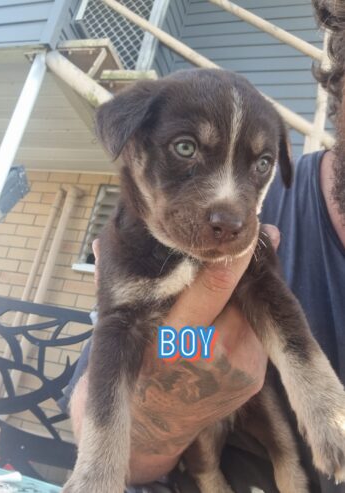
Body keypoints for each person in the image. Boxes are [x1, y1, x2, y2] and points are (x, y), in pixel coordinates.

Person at [64, 1, 345, 491]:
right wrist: (187, 347)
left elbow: (273, 311)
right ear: (132, 144)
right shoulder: (128, 248)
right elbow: (118, 350)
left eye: (259, 167)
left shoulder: (256, 235)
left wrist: (323, 404)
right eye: (186, 149)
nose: (229, 209)